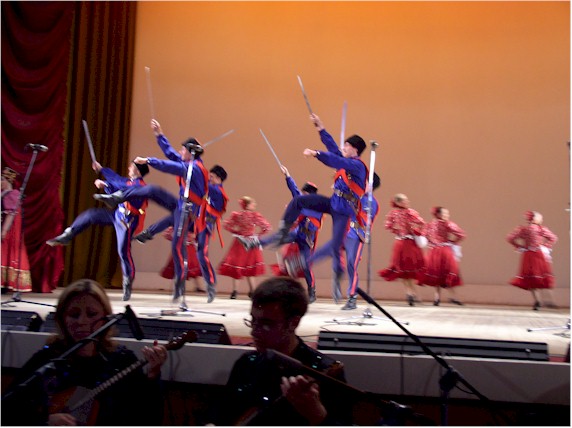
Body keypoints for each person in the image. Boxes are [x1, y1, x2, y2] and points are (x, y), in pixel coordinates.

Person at [1, 279, 167, 426]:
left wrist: (153, 376)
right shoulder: (48, 360)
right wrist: (44, 422)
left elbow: (147, 420)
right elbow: (8, 412)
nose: (82, 321)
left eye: (92, 314)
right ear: (62, 319)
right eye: (74, 315)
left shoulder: (121, 360)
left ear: (106, 317)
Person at [217, 276, 352, 425]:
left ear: (293, 323)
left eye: (266, 324)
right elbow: (221, 416)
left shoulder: (325, 371)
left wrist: (317, 415)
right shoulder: (246, 363)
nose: (254, 332)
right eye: (253, 321)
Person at [98, 164, 229, 301]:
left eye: (212, 177)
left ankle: (210, 285)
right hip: (193, 220)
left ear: (219, 179)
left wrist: (194, 177)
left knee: (201, 255)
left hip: (204, 226)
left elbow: (207, 190)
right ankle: (149, 234)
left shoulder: (218, 191)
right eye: (209, 176)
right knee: (173, 223)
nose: (209, 178)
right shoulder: (207, 188)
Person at [274, 113, 368, 285]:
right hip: (335, 204)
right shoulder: (347, 162)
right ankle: (285, 235)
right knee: (301, 203)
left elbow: (335, 159)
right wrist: (321, 128)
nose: (343, 148)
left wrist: (316, 153)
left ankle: (315, 266)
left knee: (335, 246)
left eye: (346, 146)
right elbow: (333, 150)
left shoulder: (357, 166)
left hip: (345, 210)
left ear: (355, 149)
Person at [132, 119, 211, 306]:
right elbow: (170, 154)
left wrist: (149, 161)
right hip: (181, 206)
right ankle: (148, 232)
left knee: (177, 246)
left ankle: (179, 286)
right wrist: (159, 134)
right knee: (155, 193)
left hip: (189, 212)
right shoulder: (188, 164)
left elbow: (170, 166)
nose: (180, 152)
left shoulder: (194, 168)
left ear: (191, 152)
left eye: (183, 150)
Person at [46, 161, 149, 301]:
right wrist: (102, 172)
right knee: (91, 215)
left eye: (132, 166)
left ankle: (127, 280)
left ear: (138, 170)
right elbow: (116, 179)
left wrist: (105, 182)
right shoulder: (128, 181)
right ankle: (68, 234)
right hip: (117, 215)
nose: (129, 167)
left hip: (127, 222)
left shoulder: (141, 186)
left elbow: (122, 186)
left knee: (123, 251)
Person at [241, 165, 322, 303]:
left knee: (306, 266)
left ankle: (312, 292)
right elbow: (294, 190)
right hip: (297, 233)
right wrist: (287, 176)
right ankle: (254, 243)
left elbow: (313, 223)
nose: (302, 195)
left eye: (305, 193)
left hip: (307, 238)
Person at [337, 172, 381, 310]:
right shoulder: (356, 195)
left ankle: (352, 296)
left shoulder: (372, 202)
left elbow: (365, 221)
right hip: (347, 233)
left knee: (352, 264)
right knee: (344, 263)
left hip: (357, 235)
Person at [218, 196, 271, 299]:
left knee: (237, 266)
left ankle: (235, 292)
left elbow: (226, 225)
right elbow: (267, 227)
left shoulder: (237, 215)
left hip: (240, 241)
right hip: (251, 241)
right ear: (247, 205)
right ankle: (252, 291)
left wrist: (236, 232)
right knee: (250, 266)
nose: (254, 205)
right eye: (252, 203)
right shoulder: (254, 215)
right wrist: (258, 235)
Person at [378, 193, 426, 306]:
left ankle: (410, 293)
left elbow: (387, 226)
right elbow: (421, 223)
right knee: (410, 269)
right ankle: (412, 293)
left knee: (403, 270)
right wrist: (415, 230)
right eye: (405, 200)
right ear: (398, 202)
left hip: (400, 242)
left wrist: (397, 231)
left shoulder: (392, 213)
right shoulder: (411, 212)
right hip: (409, 243)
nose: (407, 202)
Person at [507, 210, 558, 310]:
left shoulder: (523, 229)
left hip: (528, 255)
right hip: (538, 254)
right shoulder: (540, 229)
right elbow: (553, 238)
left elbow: (510, 238)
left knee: (532, 278)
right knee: (543, 276)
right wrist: (545, 246)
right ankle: (549, 301)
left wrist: (519, 246)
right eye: (540, 218)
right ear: (536, 219)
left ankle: (537, 301)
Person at [417, 206, 466, 306]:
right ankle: (453, 297)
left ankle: (437, 298)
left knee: (437, 274)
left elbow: (423, 236)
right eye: (445, 213)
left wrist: (431, 242)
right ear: (438, 214)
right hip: (444, 251)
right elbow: (461, 234)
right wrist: (453, 242)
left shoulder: (429, 225)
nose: (447, 215)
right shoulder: (447, 224)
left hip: (433, 251)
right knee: (447, 273)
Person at [1, 167, 32, 293]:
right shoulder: (3, 194)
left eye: (1, 180)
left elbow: (11, 214)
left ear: (7, 181)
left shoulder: (12, 194)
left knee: (4, 254)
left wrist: (4, 231)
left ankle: (5, 283)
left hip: (8, 230)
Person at [159, 226, 204, 293]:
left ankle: (197, 286)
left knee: (192, 267)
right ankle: (178, 287)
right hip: (181, 248)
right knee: (181, 267)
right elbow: (167, 234)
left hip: (190, 248)